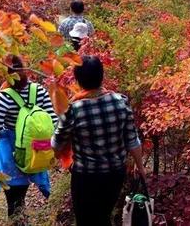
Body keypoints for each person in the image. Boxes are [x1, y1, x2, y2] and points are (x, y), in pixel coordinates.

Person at [51, 56, 147, 226]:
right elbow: (133, 140)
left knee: (85, 219)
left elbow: (57, 143)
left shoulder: (73, 109)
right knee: (103, 215)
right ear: (102, 76)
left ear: (78, 80)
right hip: (115, 174)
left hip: (85, 177)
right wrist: (140, 168)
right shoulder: (121, 102)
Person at [0, 55, 58, 224]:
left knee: (13, 203)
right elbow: (53, 120)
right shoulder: (39, 90)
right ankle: (21, 219)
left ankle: (18, 221)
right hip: (33, 150)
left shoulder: (4, 95)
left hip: (11, 153)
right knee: (20, 199)